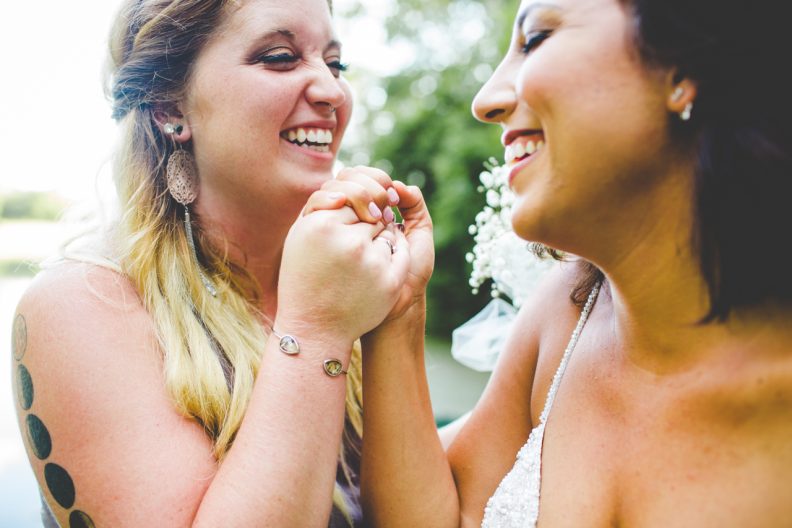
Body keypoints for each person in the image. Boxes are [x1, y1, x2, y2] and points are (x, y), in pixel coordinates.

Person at [357, 0, 792, 525]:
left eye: (536, 38)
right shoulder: (566, 314)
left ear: (683, 69)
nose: (485, 100)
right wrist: (400, 310)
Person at [10, 0, 421, 525]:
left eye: (335, 64)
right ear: (168, 108)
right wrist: (316, 331)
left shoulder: (354, 288)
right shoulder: (79, 307)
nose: (333, 91)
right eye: (279, 57)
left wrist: (401, 311)